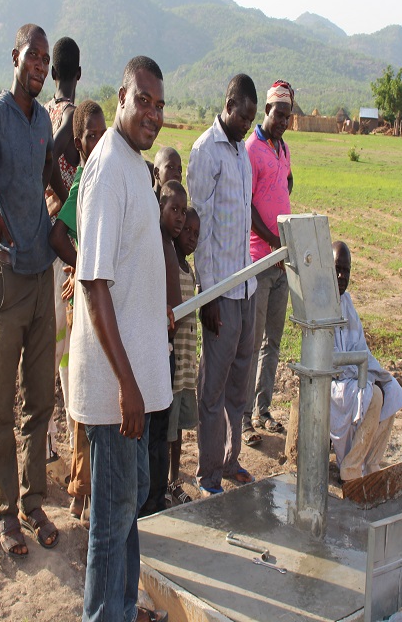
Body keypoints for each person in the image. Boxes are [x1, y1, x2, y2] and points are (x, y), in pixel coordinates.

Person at [69, 56, 171, 622]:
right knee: (110, 522)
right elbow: (93, 283)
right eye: (144, 101)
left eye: (160, 105)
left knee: (129, 503)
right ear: (121, 98)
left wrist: (157, 307)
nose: (153, 114)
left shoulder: (133, 163)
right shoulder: (108, 167)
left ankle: (123, 610)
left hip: (134, 382)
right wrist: (128, 387)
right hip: (116, 391)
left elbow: (127, 266)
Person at [0, 23, 63, 557]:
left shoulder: (43, 119)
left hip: (43, 277)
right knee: (1, 405)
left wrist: (68, 204)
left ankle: (32, 500)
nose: (40, 66)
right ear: (15, 57)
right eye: (33, 57)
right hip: (7, 282)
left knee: (40, 399)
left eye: (46, 60)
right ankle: (5, 510)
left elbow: (48, 176)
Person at [188, 73, 258, 495]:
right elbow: (201, 232)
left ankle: (231, 462)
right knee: (212, 390)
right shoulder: (206, 151)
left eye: (251, 120)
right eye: (243, 117)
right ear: (228, 105)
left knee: (239, 384)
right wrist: (208, 295)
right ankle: (208, 474)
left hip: (246, 288)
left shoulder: (240, 152)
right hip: (221, 294)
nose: (247, 125)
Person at [49, 100, 107, 526]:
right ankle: (81, 489)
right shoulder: (85, 180)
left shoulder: (110, 175)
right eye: (91, 136)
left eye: (104, 135)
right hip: (85, 307)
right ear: (78, 142)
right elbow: (57, 235)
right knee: (83, 398)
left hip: (103, 303)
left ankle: (89, 488)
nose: (99, 142)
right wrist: (83, 264)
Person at [242, 79, 294, 446]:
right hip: (261, 260)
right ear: (266, 110)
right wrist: (273, 240)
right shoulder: (251, 148)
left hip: (282, 262)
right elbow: (247, 205)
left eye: (288, 116)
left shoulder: (283, 148)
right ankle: (244, 417)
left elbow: (286, 183)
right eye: (279, 114)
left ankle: (263, 410)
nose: (283, 122)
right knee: (252, 341)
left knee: (272, 342)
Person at [329, 241, 402, 482]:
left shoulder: (347, 303)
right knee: (374, 396)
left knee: (391, 390)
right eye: (337, 269)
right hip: (331, 383)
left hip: (353, 375)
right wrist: (363, 374)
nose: (342, 276)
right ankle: (350, 470)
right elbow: (330, 360)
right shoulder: (321, 304)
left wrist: (379, 375)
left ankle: (371, 464)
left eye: (346, 271)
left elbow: (361, 348)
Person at [44, 36, 82, 464]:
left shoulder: (42, 112)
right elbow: (49, 158)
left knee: (52, 347)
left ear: (53, 73)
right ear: (78, 73)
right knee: (65, 350)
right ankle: (68, 440)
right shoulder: (71, 118)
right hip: (64, 246)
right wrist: (62, 192)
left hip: (43, 242)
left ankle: (53, 438)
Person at [140, 179, 186, 516]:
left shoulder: (170, 243)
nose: (180, 217)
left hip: (166, 350)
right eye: (174, 210)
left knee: (159, 432)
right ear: (159, 208)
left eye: (183, 211)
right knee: (151, 433)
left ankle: (156, 499)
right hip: (153, 350)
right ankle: (147, 502)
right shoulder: (155, 241)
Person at [167, 207, 201, 503]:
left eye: (196, 234)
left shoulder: (190, 270)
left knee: (177, 430)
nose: (191, 237)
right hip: (173, 365)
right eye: (186, 230)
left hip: (187, 367)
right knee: (167, 429)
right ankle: (163, 483)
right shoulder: (171, 270)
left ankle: (173, 480)